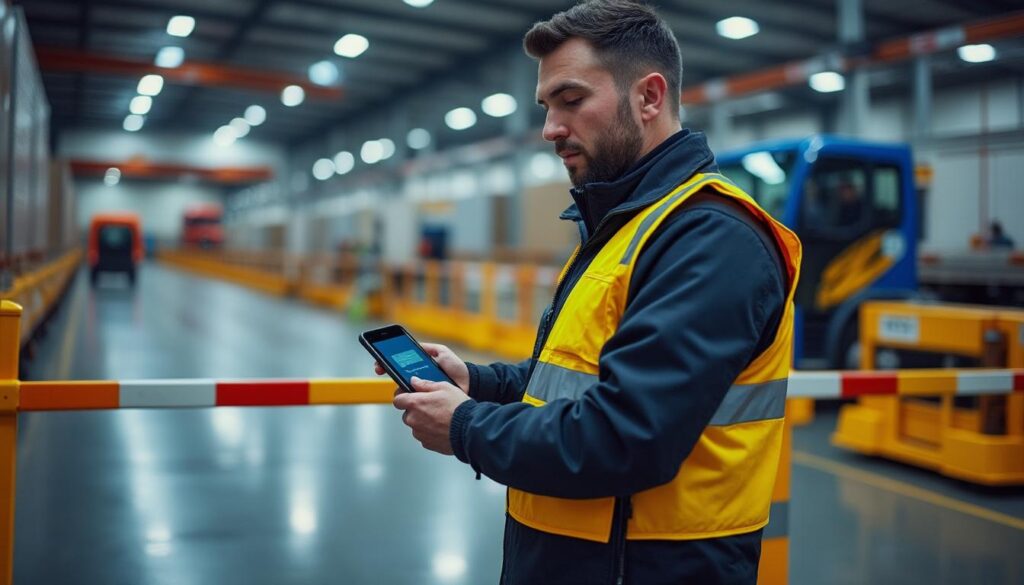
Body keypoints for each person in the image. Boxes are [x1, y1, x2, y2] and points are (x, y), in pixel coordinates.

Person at [380, 1, 802, 583]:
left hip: (648, 567)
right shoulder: (626, 224)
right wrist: (479, 382)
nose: (552, 128)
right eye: (548, 107)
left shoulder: (710, 238)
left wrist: (465, 426)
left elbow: (624, 435)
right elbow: (580, 377)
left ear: (649, 98)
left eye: (572, 101)